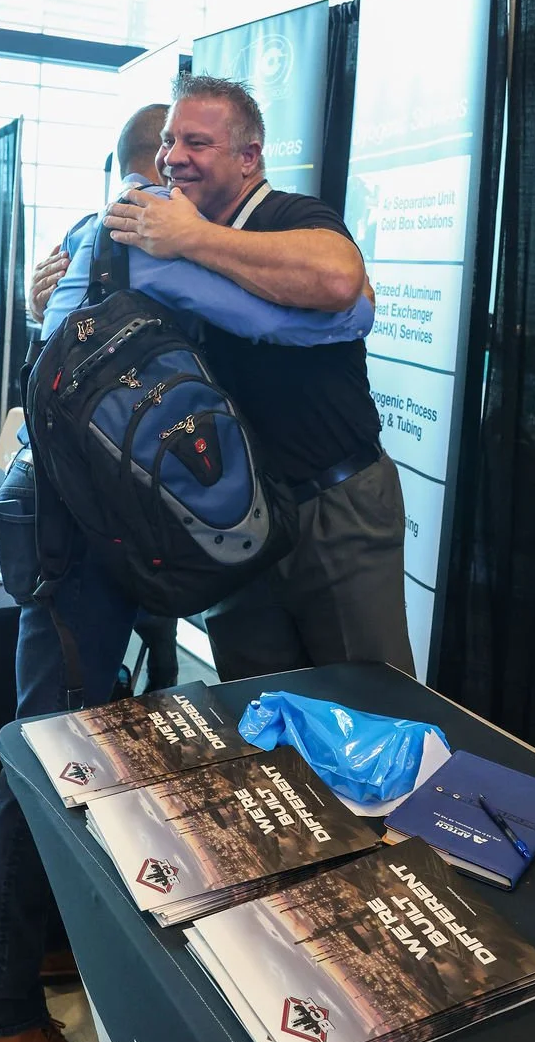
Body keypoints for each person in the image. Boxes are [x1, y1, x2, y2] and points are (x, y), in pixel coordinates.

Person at [0, 104, 375, 1042]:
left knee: (87, 738)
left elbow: (55, 317)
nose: (175, 176)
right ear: (149, 180)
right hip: (83, 547)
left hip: (86, 532)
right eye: (167, 160)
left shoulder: (88, 240)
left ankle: (45, 939)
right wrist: (322, 298)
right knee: (52, 753)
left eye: (194, 154)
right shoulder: (145, 237)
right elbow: (321, 311)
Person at [106, 74, 414, 682]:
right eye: (169, 142)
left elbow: (338, 282)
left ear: (249, 158)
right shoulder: (162, 235)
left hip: (334, 509)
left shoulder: (291, 214)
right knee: (257, 713)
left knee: (374, 709)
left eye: (196, 143)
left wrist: (197, 237)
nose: (173, 159)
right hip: (233, 518)